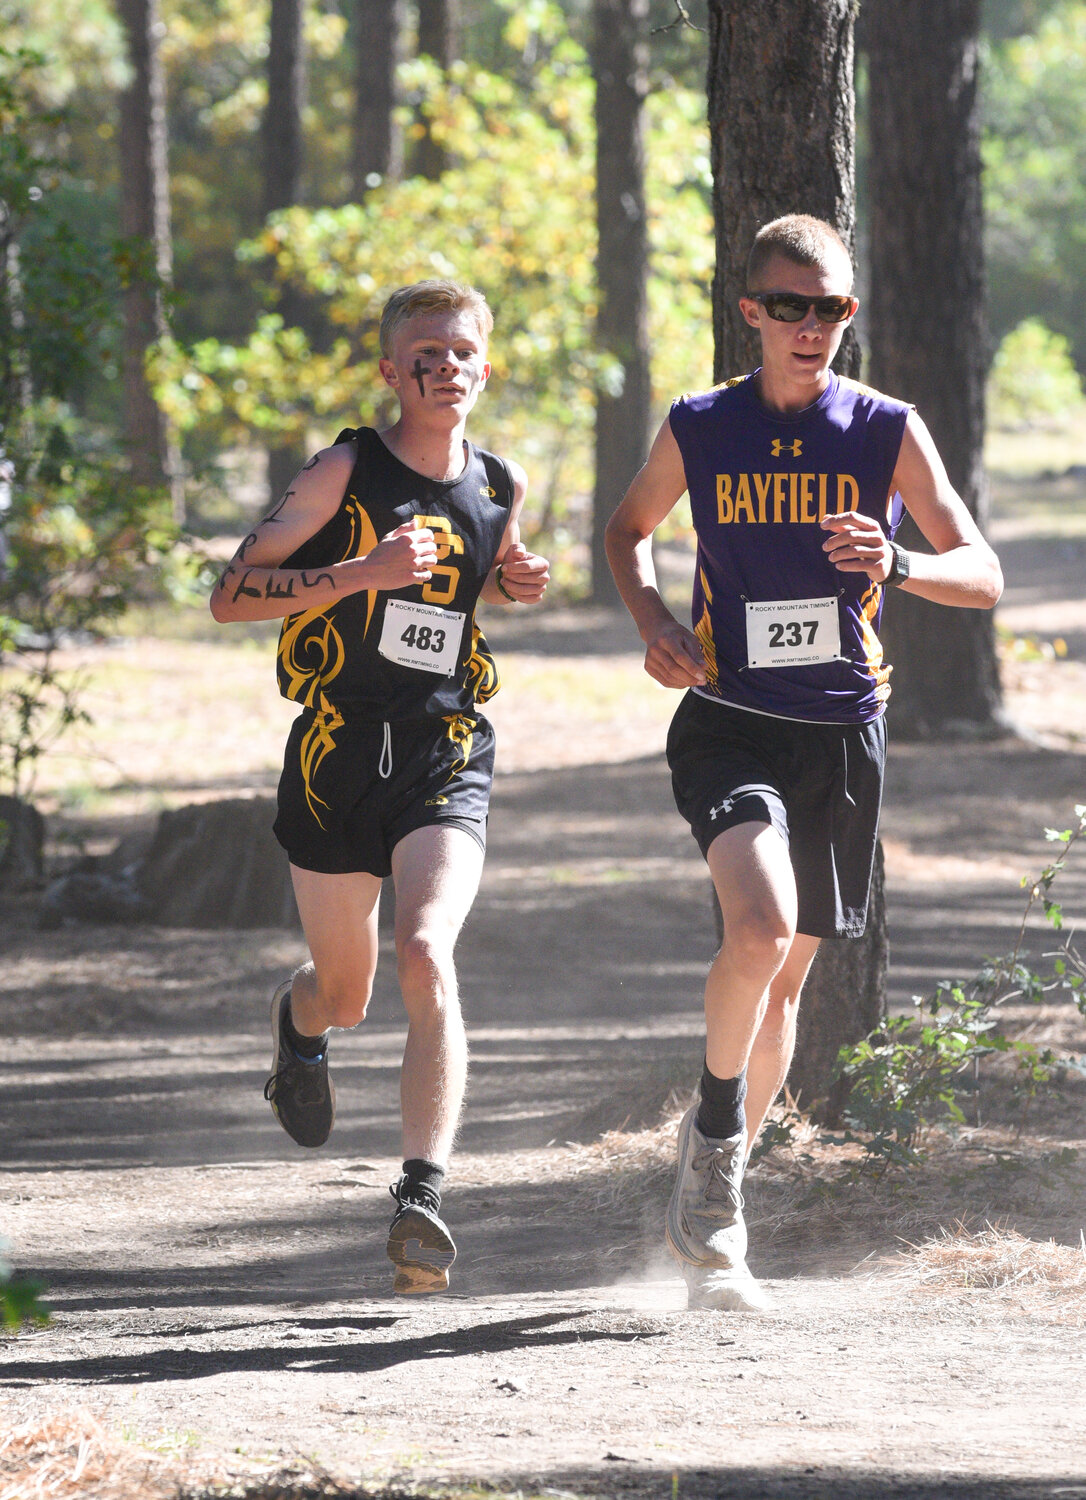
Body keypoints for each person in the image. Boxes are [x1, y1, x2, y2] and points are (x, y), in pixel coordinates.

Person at [605, 214, 1002, 1312]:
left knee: (785, 980)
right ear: (752, 313)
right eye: (790, 307)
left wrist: (905, 561)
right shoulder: (702, 424)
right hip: (731, 716)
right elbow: (629, 527)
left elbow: (984, 572)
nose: (810, 327)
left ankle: (707, 1154)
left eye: (829, 309)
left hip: (843, 730)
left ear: (848, 317)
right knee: (759, 927)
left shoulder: (884, 428)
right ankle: (721, 1167)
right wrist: (652, 622)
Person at [210, 280, 549, 1295]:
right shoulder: (345, 468)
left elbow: (468, 583)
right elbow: (231, 593)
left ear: (486, 366)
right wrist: (358, 571)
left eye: (462, 353)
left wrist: (509, 580)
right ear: (391, 371)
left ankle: (421, 1194)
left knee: (424, 948)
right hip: (335, 756)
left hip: (446, 746)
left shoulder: (500, 481)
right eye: (425, 355)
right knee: (349, 993)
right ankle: (300, 1026)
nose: (446, 369)